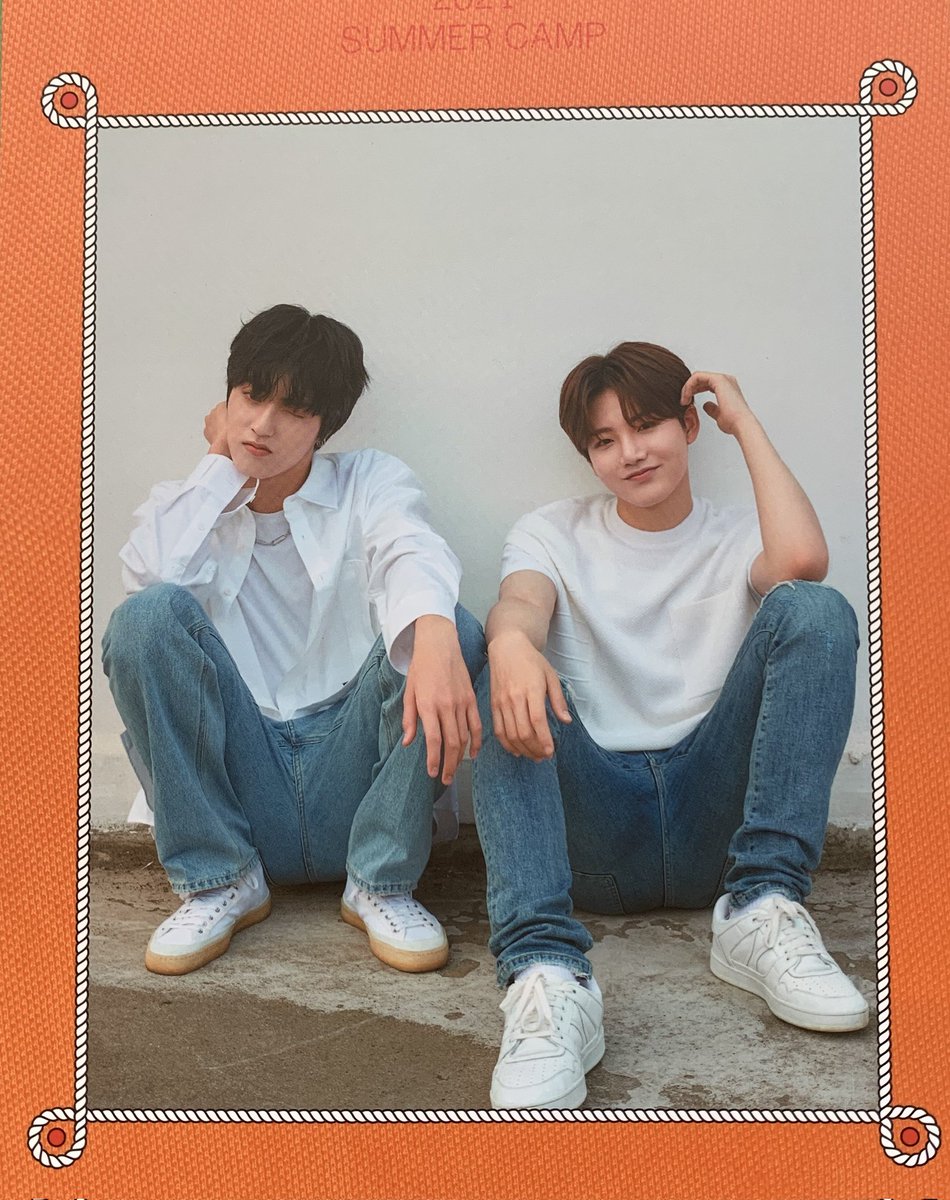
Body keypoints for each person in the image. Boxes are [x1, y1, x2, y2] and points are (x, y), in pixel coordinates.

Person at [473, 341, 868, 1110]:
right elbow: (520, 602)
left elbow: (803, 562)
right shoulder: (552, 533)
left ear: (689, 425)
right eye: (604, 440)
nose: (629, 453)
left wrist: (743, 422)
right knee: (498, 661)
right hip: (596, 831)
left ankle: (761, 908)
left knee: (816, 610)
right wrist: (510, 641)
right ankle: (545, 972)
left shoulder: (737, 535)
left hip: (713, 820)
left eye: (646, 425)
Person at [102, 304, 485, 977]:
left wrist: (435, 632)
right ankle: (220, 882)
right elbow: (148, 587)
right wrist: (218, 467)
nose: (263, 423)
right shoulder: (189, 504)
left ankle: (381, 883)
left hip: (353, 779)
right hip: (242, 790)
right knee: (146, 617)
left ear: (324, 425)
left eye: (293, 409)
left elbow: (411, 549)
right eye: (251, 395)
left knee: (445, 626)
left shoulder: (369, 481)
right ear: (226, 398)